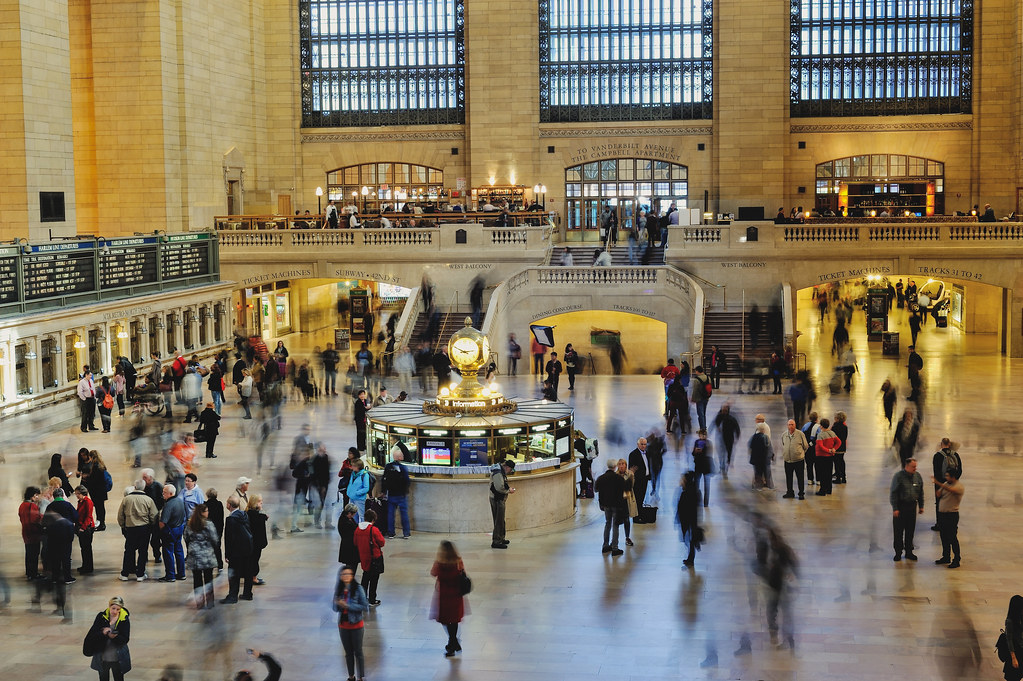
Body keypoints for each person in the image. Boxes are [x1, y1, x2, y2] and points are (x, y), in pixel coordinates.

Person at [431, 540, 468, 656]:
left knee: (445, 620)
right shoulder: (458, 561)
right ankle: (454, 642)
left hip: (444, 595)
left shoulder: (440, 563)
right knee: (454, 620)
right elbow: (463, 574)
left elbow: (433, 572)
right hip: (456, 594)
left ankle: (452, 644)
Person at [117, 480, 158, 582]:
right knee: (143, 551)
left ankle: (125, 574)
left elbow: (120, 515)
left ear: (135, 486)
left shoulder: (126, 499)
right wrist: (151, 526)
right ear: (144, 488)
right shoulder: (148, 500)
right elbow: (154, 516)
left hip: (130, 528)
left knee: (129, 551)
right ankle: (140, 574)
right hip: (144, 528)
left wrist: (123, 526)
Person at [334, 566, 369, 681]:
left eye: (348, 574)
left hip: (356, 625)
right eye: (343, 574)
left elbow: (364, 606)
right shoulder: (339, 589)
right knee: (348, 652)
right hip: (343, 625)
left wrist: (348, 606)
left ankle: (360, 677)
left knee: (358, 652)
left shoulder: (358, 588)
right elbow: (335, 608)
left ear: (352, 576)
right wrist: (338, 603)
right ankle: (351, 676)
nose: (346, 576)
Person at [85, 596, 132, 681]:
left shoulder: (124, 619)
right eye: (113, 608)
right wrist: (103, 633)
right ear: (109, 606)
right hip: (103, 656)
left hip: (117, 657)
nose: (115, 611)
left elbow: (125, 639)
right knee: (103, 678)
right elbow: (93, 634)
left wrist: (115, 637)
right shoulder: (101, 617)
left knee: (118, 678)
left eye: (118, 609)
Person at [889, 458, 924, 562]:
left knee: (910, 531)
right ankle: (898, 553)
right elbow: (893, 493)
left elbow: (920, 492)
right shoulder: (898, 477)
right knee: (898, 532)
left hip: (912, 507)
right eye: (913, 467)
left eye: (915, 466)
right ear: (907, 466)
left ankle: (909, 552)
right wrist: (895, 508)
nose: (915, 468)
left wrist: (921, 506)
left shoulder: (917, 476)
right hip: (901, 507)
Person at [184, 504, 218, 608]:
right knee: (208, 580)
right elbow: (214, 539)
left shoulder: (190, 524)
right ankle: (210, 602)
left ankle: (199, 603)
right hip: (207, 556)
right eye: (206, 511)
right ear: (202, 513)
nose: (208, 513)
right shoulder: (208, 524)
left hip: (195, 556)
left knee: (197, 580)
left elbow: (186, 537)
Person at [221, 495, 254, 604]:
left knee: (234, 574)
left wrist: (227, 554)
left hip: (236, 552)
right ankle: (247, 594)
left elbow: (229, 538)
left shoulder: (231, 519)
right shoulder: (244, 514)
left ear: (229, 505)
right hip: (248, 549)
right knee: (248, 572)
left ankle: (232, 596)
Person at [932, 467, 963, 568]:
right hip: (942, 515)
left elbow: (951, 490)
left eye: (947, 476)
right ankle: (946, 556)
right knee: (944, 537)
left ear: (953, 477)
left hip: (951, 515)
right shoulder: (946, 484)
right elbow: (939, 494)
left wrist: (938, 483)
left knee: (952, 537)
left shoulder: (959, 486)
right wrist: (939, 491)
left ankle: (957, 559)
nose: (945, 478)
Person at [354, 508, 385, 606]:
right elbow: (382, 542)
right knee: (374, 579)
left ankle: (362, 598)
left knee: (365, 577)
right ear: (373, 519)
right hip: (374, 557)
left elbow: (355, 542)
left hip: (363, 556)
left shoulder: (357, 529)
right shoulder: (373, 529)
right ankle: (372, 599)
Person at [931, 437, 963, 530]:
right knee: (953, 502)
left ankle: (939, 524)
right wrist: (953, 480)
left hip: (940, 484)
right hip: (953, 484)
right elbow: (960, 470)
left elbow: (936, 472)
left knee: (939, 503)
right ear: (949, 444)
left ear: (942, 445)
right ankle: (952, 524)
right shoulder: (956, 455)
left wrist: (941, 483)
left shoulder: (937, 456)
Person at [595, 459, 626, 556]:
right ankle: (615, 548)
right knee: (615, 525)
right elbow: (625, 489)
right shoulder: (618, 478)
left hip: (606, 505)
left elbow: (596, 489)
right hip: (616, 504)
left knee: (607, 523)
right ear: (615, 467)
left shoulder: (601, 478)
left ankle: (605, 545)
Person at [383, 443, 412, 539]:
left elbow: (384, 479)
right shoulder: (403, 468)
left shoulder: (388, 467)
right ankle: (406, 533)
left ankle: (391, 533)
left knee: (390, 515)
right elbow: (407, 480)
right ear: (400, 457)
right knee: (404, 514)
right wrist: (405, 491)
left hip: (391, 494)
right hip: (401, 495)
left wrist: (384, 491)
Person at [158, 484, 186, 582]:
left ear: (170, 494)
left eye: (164, 492)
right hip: (179, 528)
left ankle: (170, 575)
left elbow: (163, 522)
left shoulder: (169, 505)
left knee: (168, 552)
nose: (163, 494)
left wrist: (160, 531)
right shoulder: (180, 501)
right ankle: (182, 573)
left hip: (170, 531)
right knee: (179, 551)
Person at [676, 471, 702, 568]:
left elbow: (682, 508)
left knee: (688, 540)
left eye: (683, 479)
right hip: (691, 520)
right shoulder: (694, 491)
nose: (681, 481)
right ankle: (691, 556)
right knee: (689, 540)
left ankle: (691, 558)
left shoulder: (686, 493)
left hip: (688, 520)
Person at [489, 458, 516, 548]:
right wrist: (509, 490)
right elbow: (499, 487)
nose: (510, 472)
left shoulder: (500, 471)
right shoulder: (498, 472)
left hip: (499, 498)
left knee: (501, 520)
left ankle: (501, 538)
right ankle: (496, 541)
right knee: (498, 521)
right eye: (510, 470)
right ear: (507, 467)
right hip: (496, 499)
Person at [19, 486, 43, 580]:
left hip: (26, 532)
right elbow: (35, 519)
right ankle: (34, 573)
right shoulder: (32, 505)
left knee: (28, 553)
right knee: (34, 553)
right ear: (32, 496)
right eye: (37, 495)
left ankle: (29, 573)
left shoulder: (22, 505)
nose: (37, 497)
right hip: (34, 533)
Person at [780, 419, 809, 500]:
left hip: (798, 461)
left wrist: (799, 453)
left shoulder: (800, 434)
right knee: (788, 477)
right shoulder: (784, 435)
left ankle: (801, 493)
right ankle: (790, 492)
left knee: (800, 477)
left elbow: (805, 446)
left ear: (795, 425)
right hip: (788, 460)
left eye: (792, 424)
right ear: (787, 426)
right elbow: (783, 444)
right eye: (789, 424)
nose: (790, 426)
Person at [246, 495, 269, 586]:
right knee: (254, 560)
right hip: (254, 543)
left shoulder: (252, 514)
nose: (261, 503)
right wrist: (263, 517)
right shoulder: (253, 516)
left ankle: (253, 576)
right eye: (259, 501)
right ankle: (253, 577)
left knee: (255, 559)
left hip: (254, 543)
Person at [713, 403, 740, 478]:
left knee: (728, 453)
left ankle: (726, 466)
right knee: (721, 453)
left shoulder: (732, 419)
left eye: (725, 410)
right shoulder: (719, 417)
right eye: (722, 410)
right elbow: (716, 422)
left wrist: (737, 437)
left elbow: (737, 428)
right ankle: (722, 467)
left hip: (729, 438)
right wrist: (717, 427)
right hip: (721, 439)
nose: (723, 412)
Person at [814, 418, 838, 496]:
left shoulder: (820, 435)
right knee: (828, 473)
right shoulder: (832, 433)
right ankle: (829, 489)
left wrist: (828, 450)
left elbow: (820, 446)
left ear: (821, 426)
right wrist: (834, 449)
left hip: (821, 457)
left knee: (822, 474)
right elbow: (839, 442)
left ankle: (822, 490)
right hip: (830, 457)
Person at [75, 485, 96, 575]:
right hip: (81, 527)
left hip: (87, 528)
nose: (76, 495)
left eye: (78, 494)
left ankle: (89, 567)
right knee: (83, 548)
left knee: (87, 548)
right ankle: (85, 565)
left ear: (82, 493)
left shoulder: (88, 502)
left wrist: (83, 528)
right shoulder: (80, 501)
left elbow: (88, 516)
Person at [616, 458, 638, 546]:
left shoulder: (629, 474)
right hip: (618, 500)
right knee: (616, 520)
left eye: (623, 464)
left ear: (626, 465)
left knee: (626, 520)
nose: (621, 466)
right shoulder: (616, 475)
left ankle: (627, 537)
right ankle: (614, 540)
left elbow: (630, 486)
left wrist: (631, 475)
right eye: (620, 464)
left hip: (627, 500)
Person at [1004, 595, 1023, 681]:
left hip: (1021, 651)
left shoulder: (1021, 618)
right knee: (1013, 677)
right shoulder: (1010, 621)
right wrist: (1013, 658)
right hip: (1015, 652)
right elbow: (1009, 640)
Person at [748, 422, 771, 490]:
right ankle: (763, 485)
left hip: (755, 458)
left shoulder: (754, 437)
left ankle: (757, 486)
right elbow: (767, 447)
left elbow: (750, 446)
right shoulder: (765, 437)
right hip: (763, 459)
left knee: (757, 472)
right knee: (763, 472)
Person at [337, 503, 360, 570]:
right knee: (351, 565)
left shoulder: (348, 519)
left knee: (352, 564)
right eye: (354, 513)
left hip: (351, 545)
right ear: (349, 513)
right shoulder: (344, 521)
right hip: (349, 546)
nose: (354, 515)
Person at [691, 366, 711, 430]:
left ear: (697, 371)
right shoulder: (708, 378)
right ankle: (704, 426)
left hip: (699, 399)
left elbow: (695, 390)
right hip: (706, 397)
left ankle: (702, 428)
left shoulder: (697, 379)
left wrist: (693, 399)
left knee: (700, 414)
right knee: (703, 413)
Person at [831, 411, 848, 485]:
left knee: (836, 462)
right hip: (843, 446)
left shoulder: (835, 427)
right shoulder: (845, 427)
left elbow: (833, 437)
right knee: (841, 461)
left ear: (837, 418)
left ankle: (838, 478)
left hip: (836, 447)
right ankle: (843, 477)